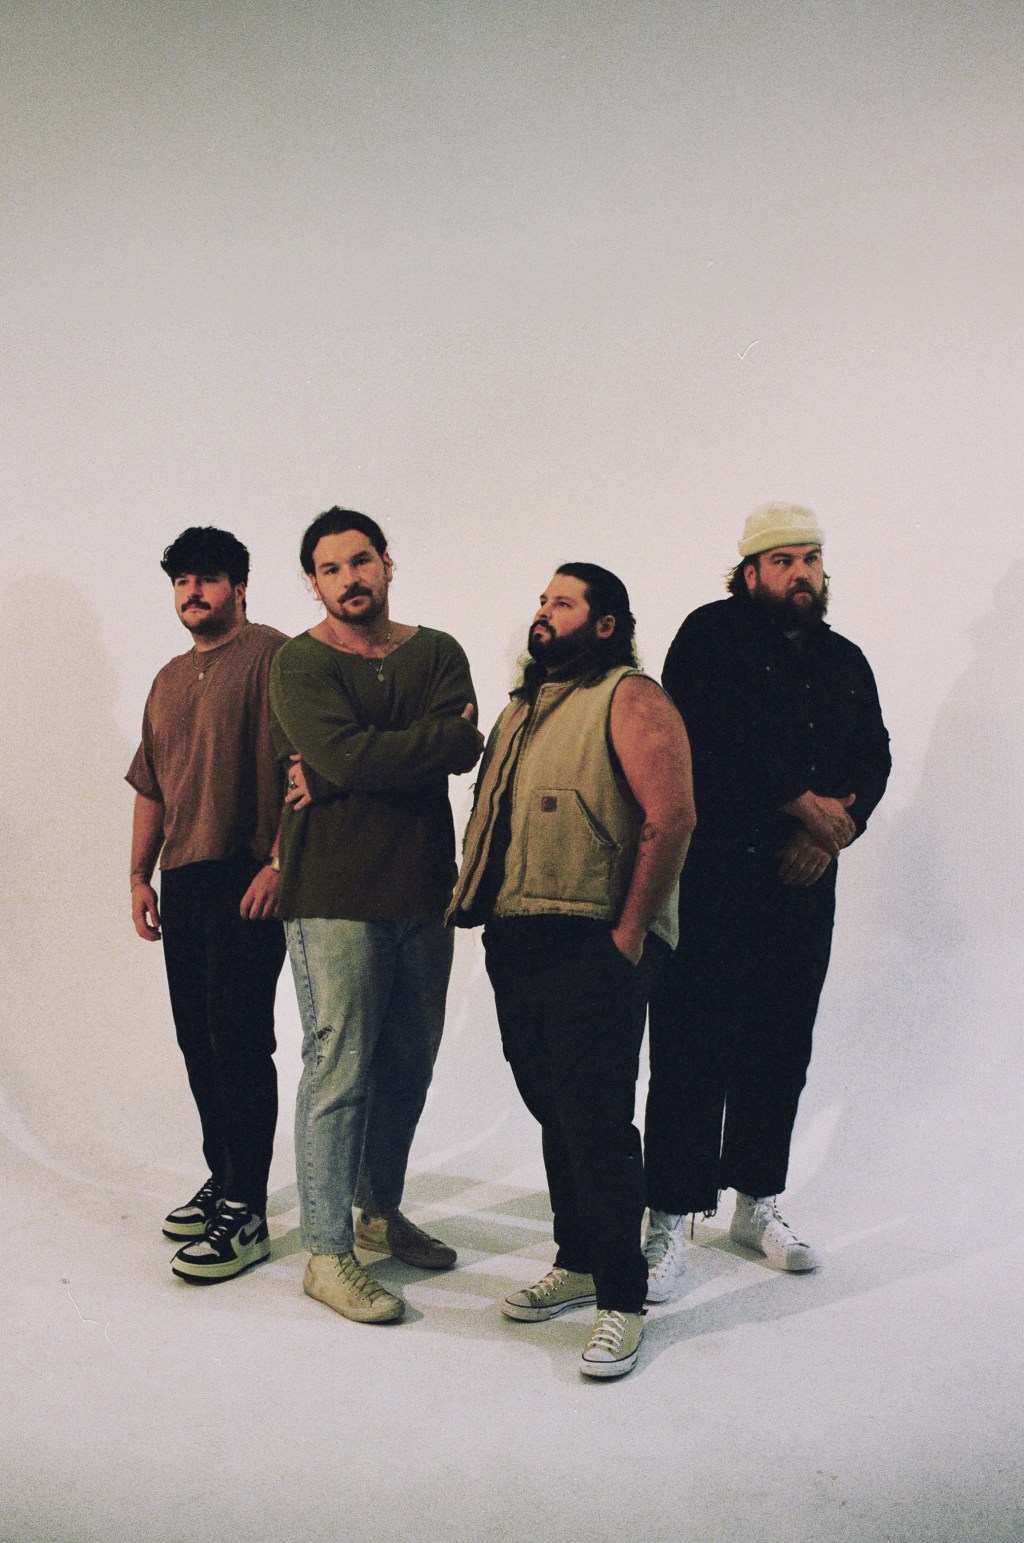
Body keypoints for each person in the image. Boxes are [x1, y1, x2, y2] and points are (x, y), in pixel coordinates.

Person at [448, 564, 695, 1379]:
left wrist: (628, 933)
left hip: (594, 934)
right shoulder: (522, 708)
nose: (544, 611)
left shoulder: (631, 695)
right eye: (542, 600)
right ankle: (579, 1256)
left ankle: (622, 1298)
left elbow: (672, 815)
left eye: (562, 602)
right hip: (519, 928)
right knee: (552, 1104)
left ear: (605, 623)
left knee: (595, 1118)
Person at [643, 503, 891, 1300]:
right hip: (713, 879)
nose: (800, 574)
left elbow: (874, 754)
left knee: (781, 1043)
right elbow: (699, 739)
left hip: (802, 886)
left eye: (810, 558)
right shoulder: (708, 635)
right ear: (749, 571)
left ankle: (756, 1203)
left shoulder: (844, 658)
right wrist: (795, 801)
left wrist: (832, 831)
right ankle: (668, 1215)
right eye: (783, 561)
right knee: (692, 1045)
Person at [270, 507, 483, 1325]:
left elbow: (462, 748)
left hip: (425, 892)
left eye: (360, 561)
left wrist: (340, 769)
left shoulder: (439, 651)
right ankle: (326, 1254)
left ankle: (377, 1210)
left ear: (387, 564)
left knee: (408, 1065)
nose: (349, 579)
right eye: (330, 568)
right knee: (339, 1069)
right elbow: (353, 751)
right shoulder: (298, 662)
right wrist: (363, 757)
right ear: (313, 582)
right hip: (334, 898)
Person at [127, 526, 288, 1282]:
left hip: (245, 872)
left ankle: (247, 1210)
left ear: (239, 587)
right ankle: (224, 1180)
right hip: (184, 878)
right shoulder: (167, 679)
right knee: (198, 1039)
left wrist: (280, 862)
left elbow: (304, 768)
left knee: (239, 1040)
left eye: (208, 578)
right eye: (182, 580)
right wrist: (138, 875)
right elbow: (151, 784)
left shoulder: (274, 657)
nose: (193, 592)